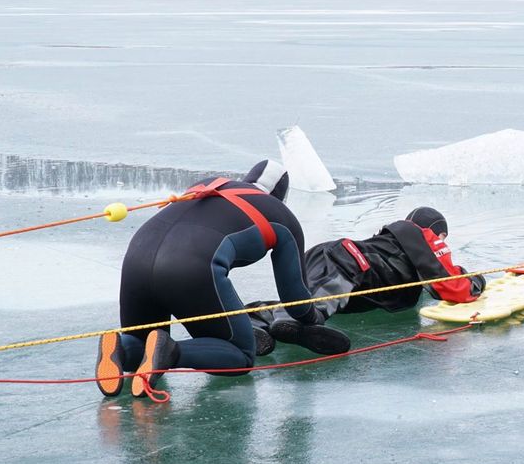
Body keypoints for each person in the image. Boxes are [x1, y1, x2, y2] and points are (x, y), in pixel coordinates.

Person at [95, 160, 348, 398]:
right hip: (189, 267)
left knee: (141, 342)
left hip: (136, 258)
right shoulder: (282, 216)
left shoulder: (208, 183)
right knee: (240, 354)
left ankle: (120, 347)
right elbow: (294, 297)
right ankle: (171, 351)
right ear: (280, 195)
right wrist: (313, 318)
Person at [248, 206, 487, 354]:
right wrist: (477, 281)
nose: (443, 245)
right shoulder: (423, 235)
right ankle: (292, 321)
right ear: (437, 233)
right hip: (348, 262)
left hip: (337, 260)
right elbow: (454, 288)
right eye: (443, 239)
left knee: (309, 299)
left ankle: (252, 320)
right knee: (311, 309)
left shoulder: (394, 247)